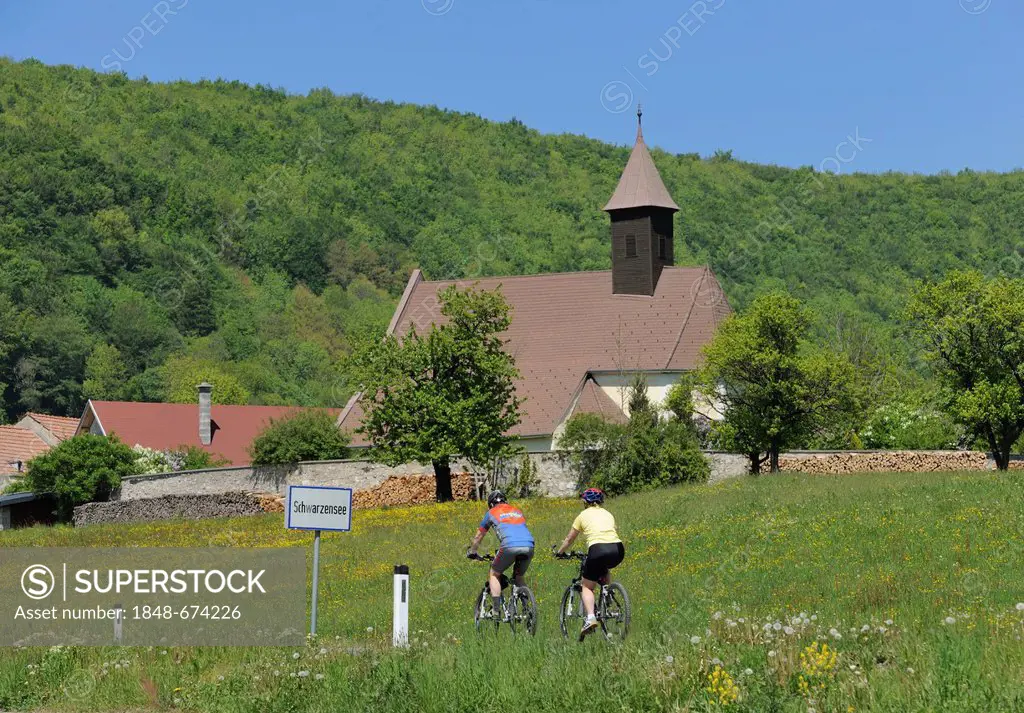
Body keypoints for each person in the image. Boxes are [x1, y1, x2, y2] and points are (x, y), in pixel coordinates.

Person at [554, 487, 624, 640]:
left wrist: (559, 552)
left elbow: (570, 539)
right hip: (618, 549)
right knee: (603, 567)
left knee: (586, 586)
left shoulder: (582, 515)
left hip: (597, 549)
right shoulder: (607, 513)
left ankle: (591, 618)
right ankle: (607, 595)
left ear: (585, 502)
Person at [467, 490, 535, 619]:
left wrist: (472, 552)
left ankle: (496, 611)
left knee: (494, 573)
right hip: (529, 545)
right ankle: (527, 610)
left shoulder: (491, 513)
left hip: (509, 546)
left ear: (491, 504)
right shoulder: (517, 511)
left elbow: (479, 535)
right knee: (519, 577)